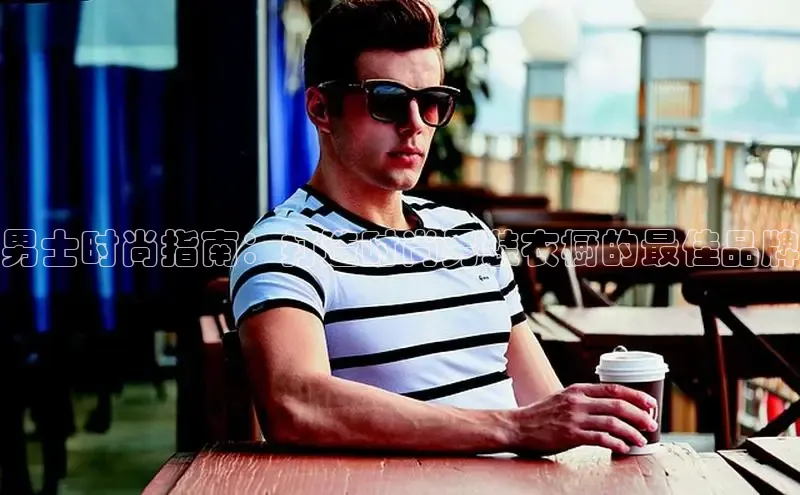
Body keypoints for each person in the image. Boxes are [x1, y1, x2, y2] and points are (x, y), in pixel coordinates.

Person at [230, 0, 658, 457]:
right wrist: (512, 429)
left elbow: (542, 404)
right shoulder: (284, 247)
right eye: (387, 100)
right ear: (320, 109)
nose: (415, 125)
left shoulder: (468, 236)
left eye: (432, 102)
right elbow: (295, 404)